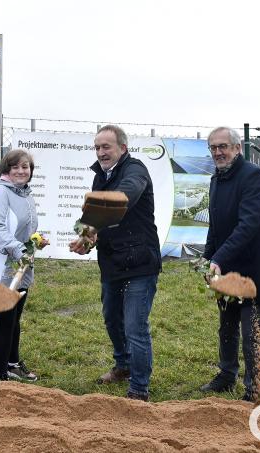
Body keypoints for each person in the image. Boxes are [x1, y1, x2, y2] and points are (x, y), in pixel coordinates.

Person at [70, 125, 161, 401]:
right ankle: (123, 366)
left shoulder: (135, 170)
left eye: (106, 147)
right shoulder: (101, 176)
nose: (100, 152)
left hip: (139, 262)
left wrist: (93, 226)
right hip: (112, 262)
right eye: (97, 147)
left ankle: (139, 388)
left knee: (135, 326)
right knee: (112, 319)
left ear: (122, 147)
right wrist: (86, 239)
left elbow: (125, 195)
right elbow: (97, 214)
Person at [199, 126, 260, 401]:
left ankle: (255, 386)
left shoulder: (253, 177)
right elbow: (216, 224)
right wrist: (208, 257)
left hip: (255, 270)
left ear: (237, 148)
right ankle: (226, 375)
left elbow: (248, 225)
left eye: (223, 146)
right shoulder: (217, 179)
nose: (218, 152)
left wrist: (219, 258)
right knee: (226, 326)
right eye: (213, 147)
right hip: (227, 271)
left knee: (252, 331)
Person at [0, 149, 49, 382]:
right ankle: (0, 378)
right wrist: (19, 250)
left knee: (14, 319)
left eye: (25, 167)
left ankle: (12, 364)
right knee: (4, 324)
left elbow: (21, 228)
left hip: (20, 268)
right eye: (15, 167)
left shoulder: (24, 193)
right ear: (6, 170)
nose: (20, 171)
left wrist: (36, 240)